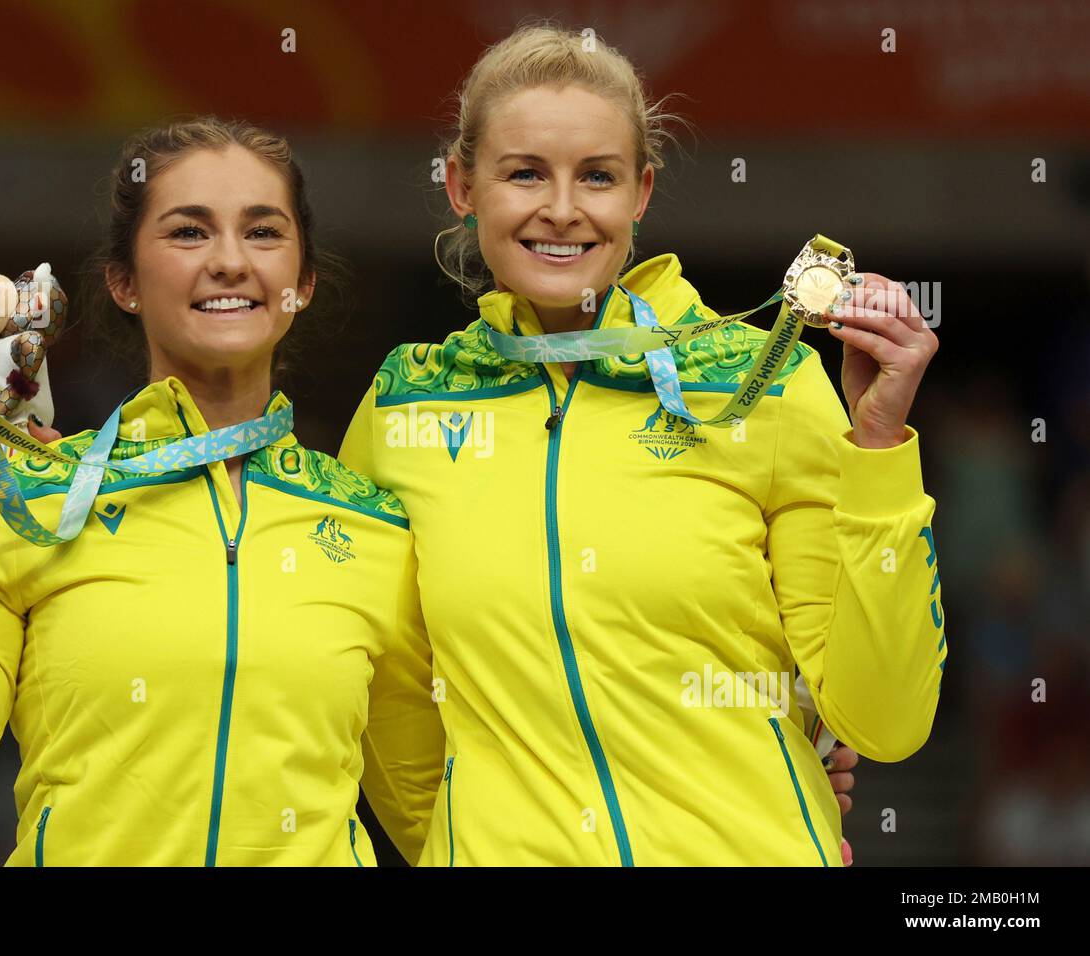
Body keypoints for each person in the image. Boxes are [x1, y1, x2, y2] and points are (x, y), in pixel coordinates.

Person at [339, 23, 942, 865]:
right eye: (524, 174)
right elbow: (393, 699)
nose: (562, 208)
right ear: (461, 185)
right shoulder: (407, 407)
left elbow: (884, 720)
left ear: (642, 192)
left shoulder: (759, 381)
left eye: (597, 176)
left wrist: (878, 450)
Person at [0, 118, 445, 866]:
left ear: (303, 282)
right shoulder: (34, 502)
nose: (229, 261)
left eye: (262, 233)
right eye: (189, 233)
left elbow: (433, 821)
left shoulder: (374, 525)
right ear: (124, 282)